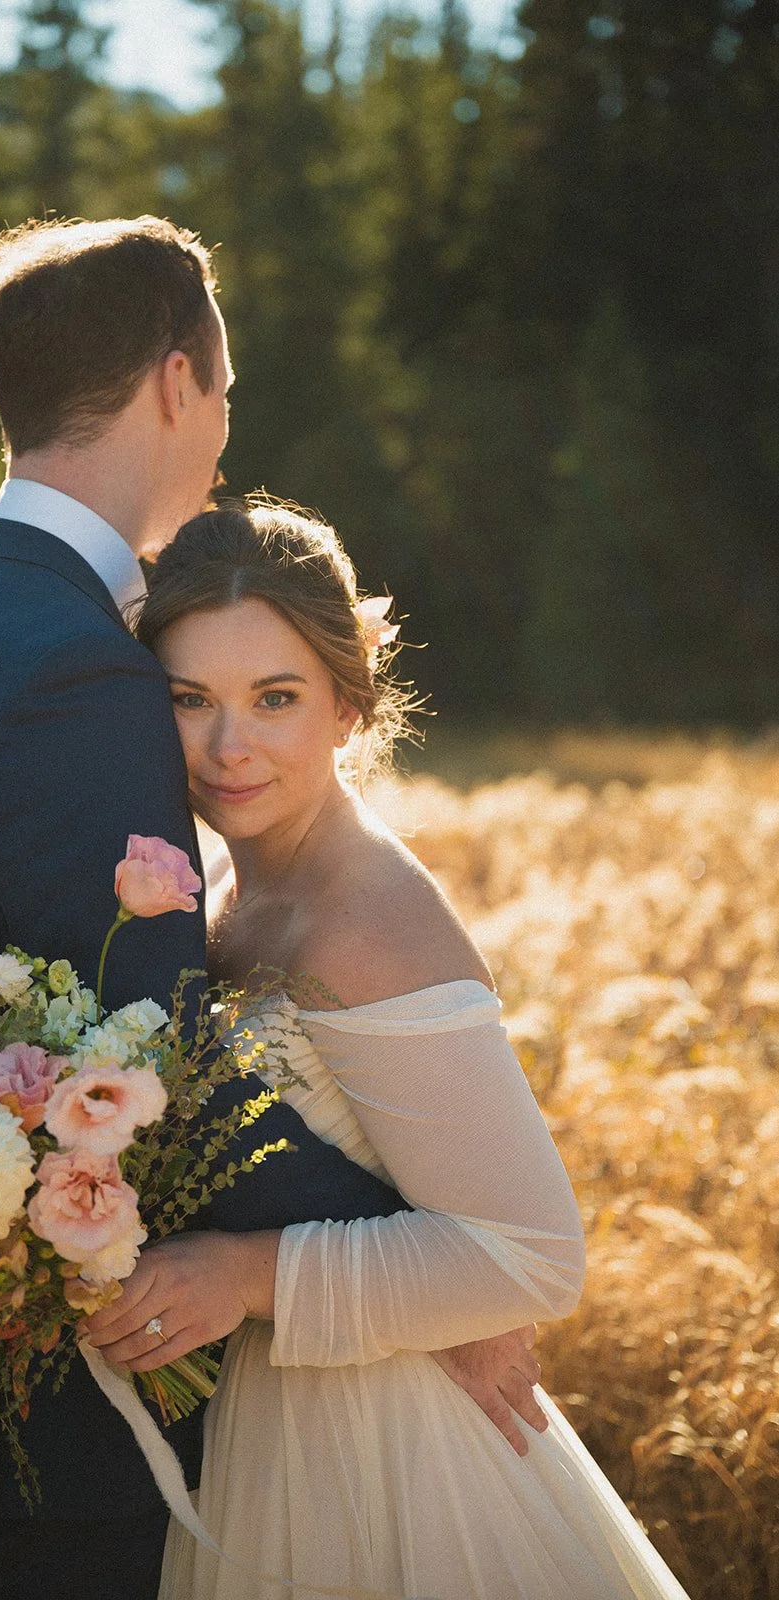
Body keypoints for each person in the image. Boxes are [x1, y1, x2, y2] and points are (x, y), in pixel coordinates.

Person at [0, 218, 543, 1600]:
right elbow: (149, 1072)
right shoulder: (75, 667)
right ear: (175, 381)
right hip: (84, 1436)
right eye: (222, 391)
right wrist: (439, 1265)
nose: (221, 428)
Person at [82, 498, 692, 1600]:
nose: (230, 747)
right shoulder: (221, 885)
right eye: (191, 700)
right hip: (268, 1423)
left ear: (349, 707)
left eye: (276, 698)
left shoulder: (370, 921)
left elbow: (530, 1254)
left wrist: (242, 1274)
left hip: (388, 1457)